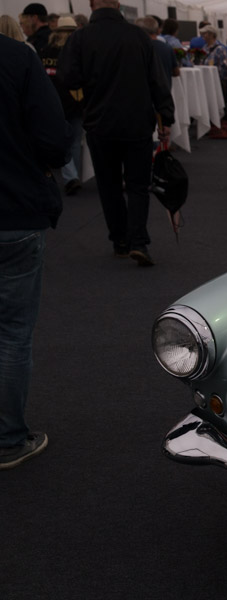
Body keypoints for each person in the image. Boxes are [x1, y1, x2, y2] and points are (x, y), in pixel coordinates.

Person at [0, 31, 71, 469]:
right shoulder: (16, 59)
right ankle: (8, 439)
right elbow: (54, 141)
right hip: (13, 211)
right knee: (11, 333)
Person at [59, 0, 173, 266]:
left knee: (109, 186)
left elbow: (68, 78)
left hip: (100, 122)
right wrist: (165, 116)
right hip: (137, 122)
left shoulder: (80, 37)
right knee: (137, 185)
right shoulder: (138, 36)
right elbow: (157, 80)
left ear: (91, 5)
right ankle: (139, 241)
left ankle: (120, 240)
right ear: (119, 5)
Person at [38, 15, 84, 196]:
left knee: (60, 139)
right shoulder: (77, 50)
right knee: (74, 140)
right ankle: (73, 176)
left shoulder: (45, 51)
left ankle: (70, 176)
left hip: (52, 101)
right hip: (76, 100)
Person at [137, 17, 177, 87]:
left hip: (145, 92)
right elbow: (176, 72)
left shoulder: (138, 48)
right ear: (157, 30)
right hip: (164, 90)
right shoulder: (167, 48)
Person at [200, 25, 227, 104]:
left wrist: (220, 80)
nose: (203, 36)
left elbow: (224, 67)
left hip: (217, 82)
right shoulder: (204, 48)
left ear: (211, 35)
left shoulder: (220, 49)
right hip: (207, 81)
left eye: (205, 33)